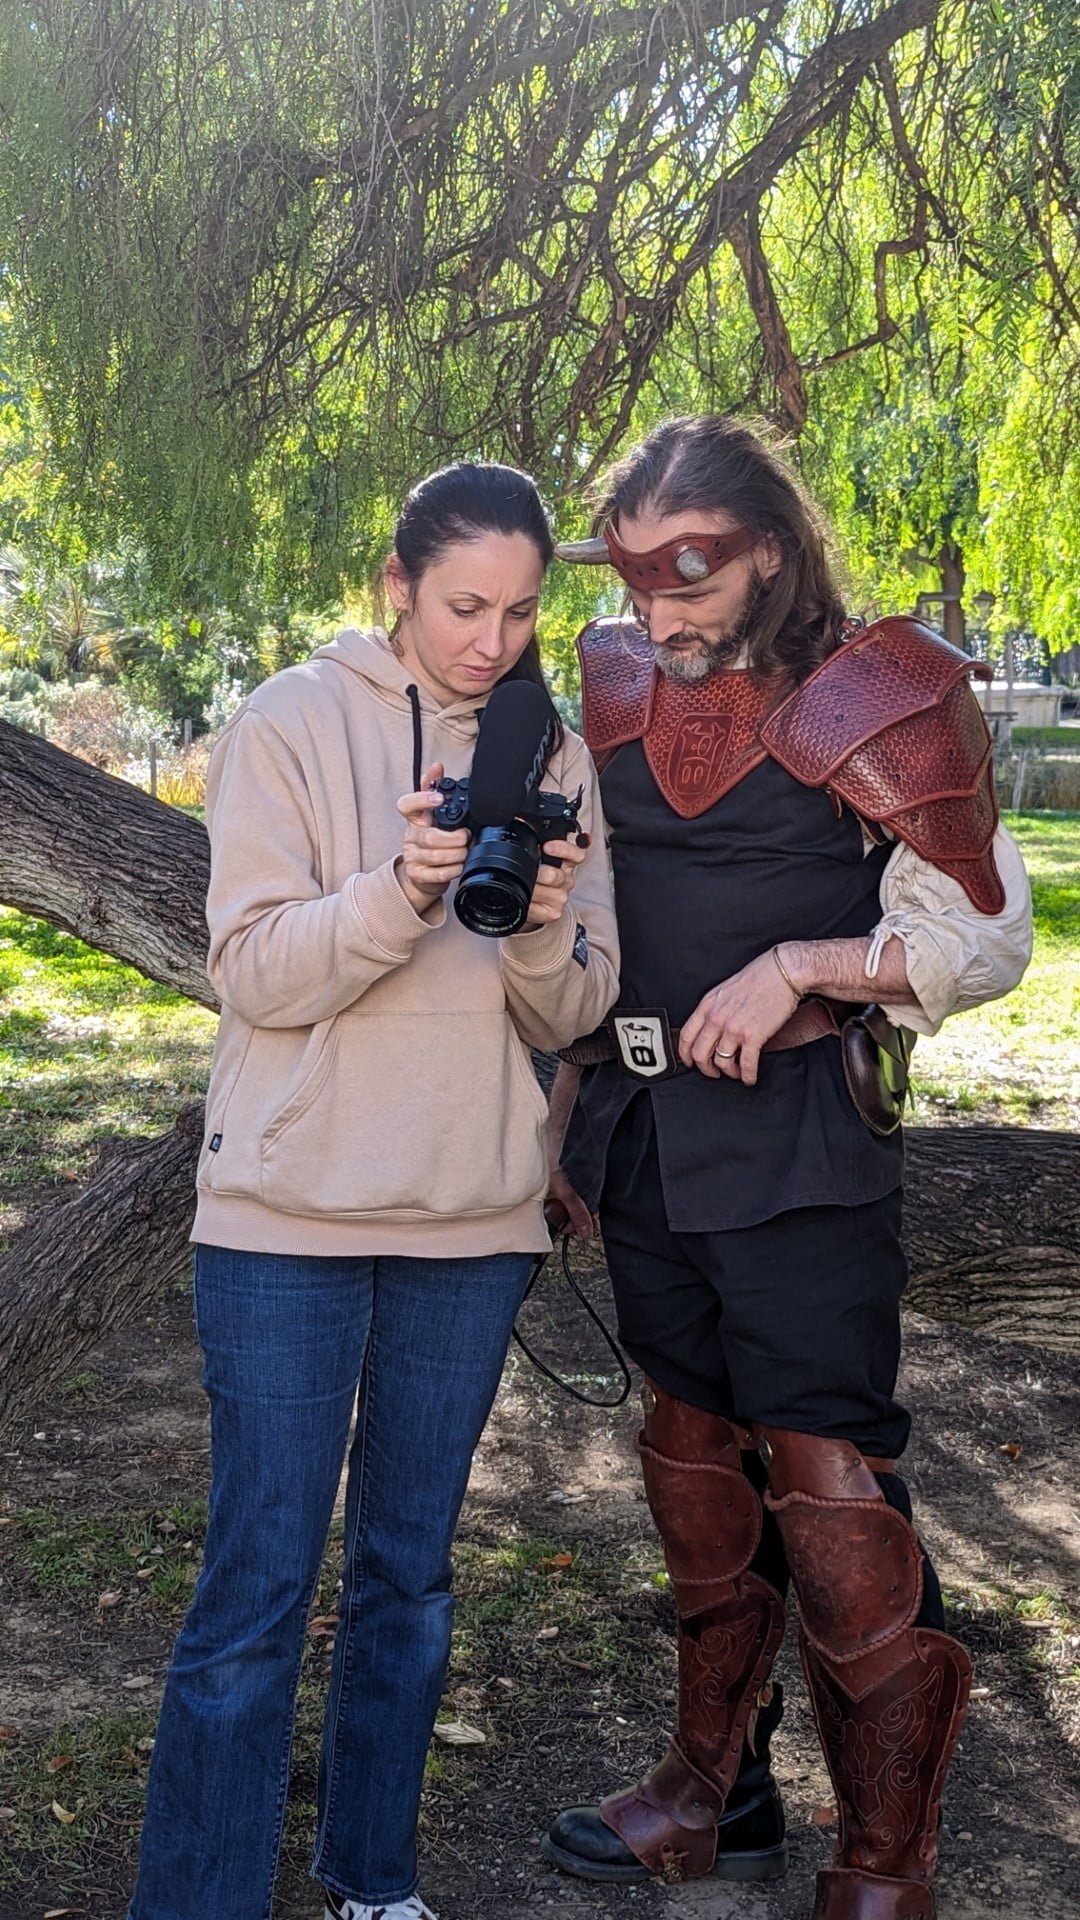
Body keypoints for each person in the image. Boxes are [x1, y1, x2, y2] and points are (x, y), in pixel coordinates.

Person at [540, 416, 1032, 1920]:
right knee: (692, 1463)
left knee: (832, 1488)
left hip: (802, 1148)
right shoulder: (615, 687)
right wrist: (562, 1109)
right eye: (633, 582)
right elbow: (601, 912)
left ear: (768, 548)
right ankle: (715, 1793)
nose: (656, 617)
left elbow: (989, 936)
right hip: (640, 1142)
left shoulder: (874, 694)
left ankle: (886, 1860)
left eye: (688, 578)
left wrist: (800, 964)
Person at [125, 462, 619, 1920]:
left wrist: (531, 929)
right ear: (396, 585)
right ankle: (199, 1900)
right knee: (257, 1588)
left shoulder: (559, 753)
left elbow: (574, 1009)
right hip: (288, 1221)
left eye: (523, 612)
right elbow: (254, 973)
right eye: (466, 604)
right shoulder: (288, 719)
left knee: (408, 1582)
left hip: (470, 1225)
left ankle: (372, 1883)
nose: (494, 640)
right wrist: (398, 895)